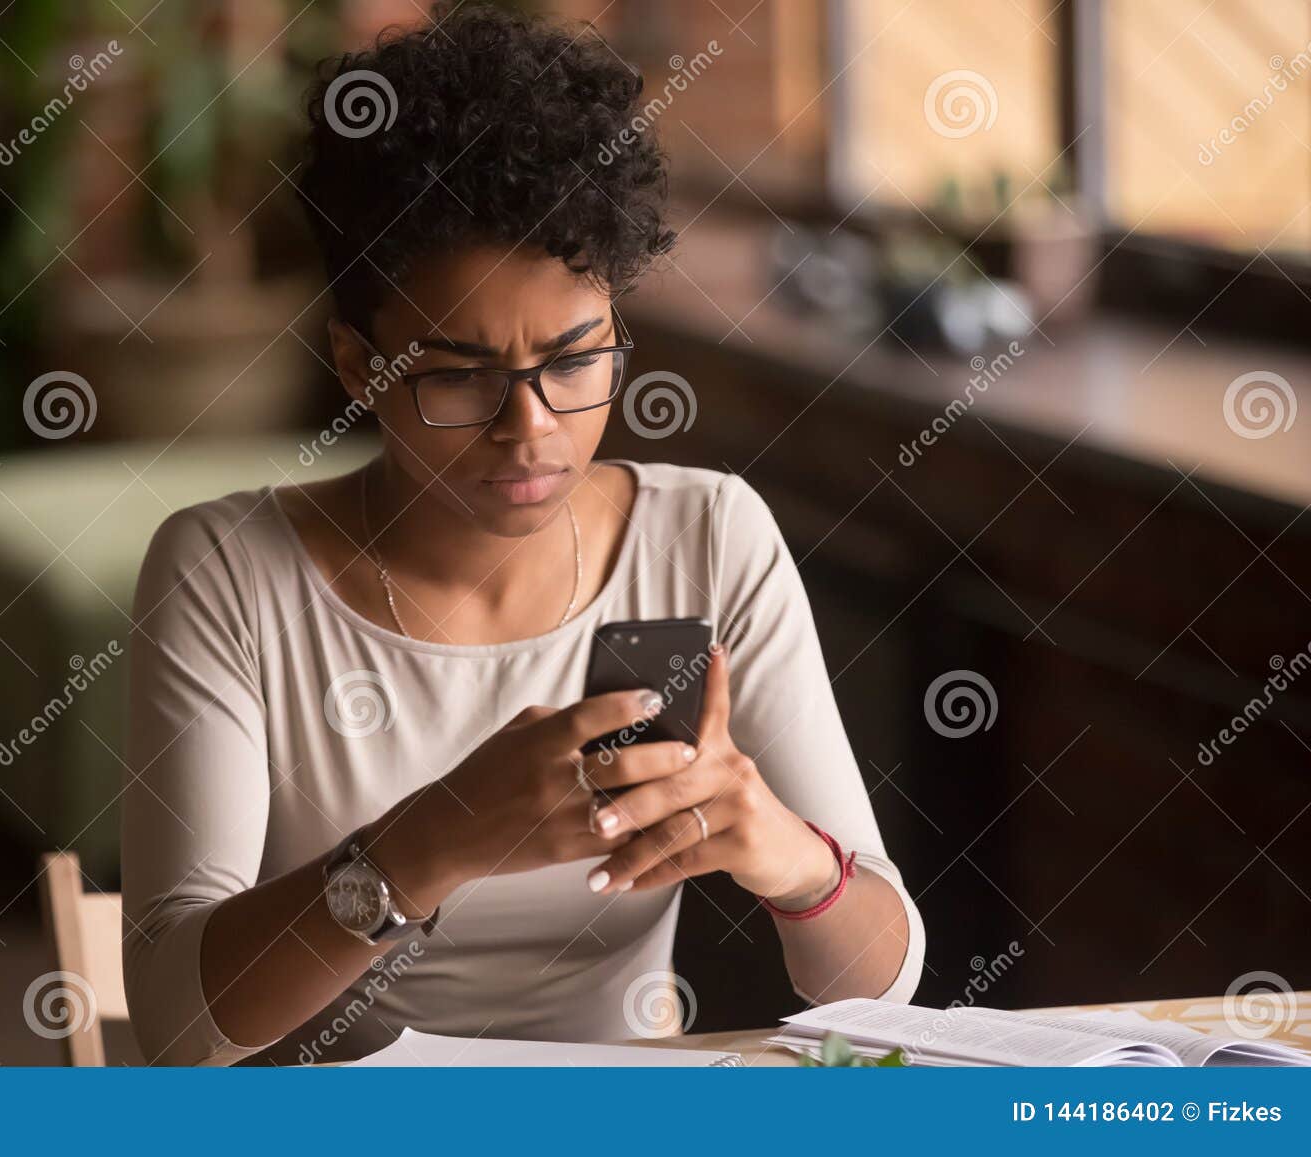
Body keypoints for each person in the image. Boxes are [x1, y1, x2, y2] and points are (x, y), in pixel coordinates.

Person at [121, 1, 922, 1066]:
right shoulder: (228, 572)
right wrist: (429, 841)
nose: (531, 428)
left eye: (575, 360)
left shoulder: (706, 536)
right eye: (460, 376)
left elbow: (883, 982)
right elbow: (179, 1026)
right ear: (362, 367)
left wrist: (787, 855)